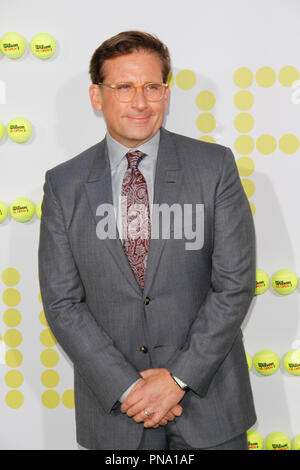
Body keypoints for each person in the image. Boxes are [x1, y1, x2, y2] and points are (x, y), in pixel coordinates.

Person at [38, 30, 257, 451]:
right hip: (117, 417)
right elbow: (63, 303)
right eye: (123, 87)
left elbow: (233, 284)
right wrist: (129, 390)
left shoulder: (215, 168)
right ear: (96, 96)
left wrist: (177, 380)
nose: (140, 102)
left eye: (152, 87)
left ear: (166, 93)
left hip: (210, 409)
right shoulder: (63, 184)